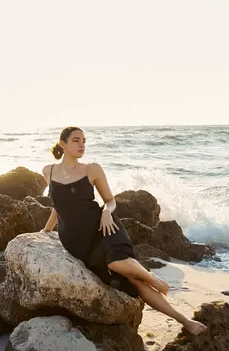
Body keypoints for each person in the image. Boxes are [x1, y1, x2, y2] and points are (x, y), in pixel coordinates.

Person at [41, 127, 206, 335]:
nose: (82, 144)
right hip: (76, 240)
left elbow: (110, 201)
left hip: (103, 226)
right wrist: (47, 229)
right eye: (76, 140)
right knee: (133, 281)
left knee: (116, 262)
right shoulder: (49, 171)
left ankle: (176, 310)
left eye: (84, 140)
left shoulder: (92, 169)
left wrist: (107, 213)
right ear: (63, 144)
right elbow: (59, 205)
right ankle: (160, 290)